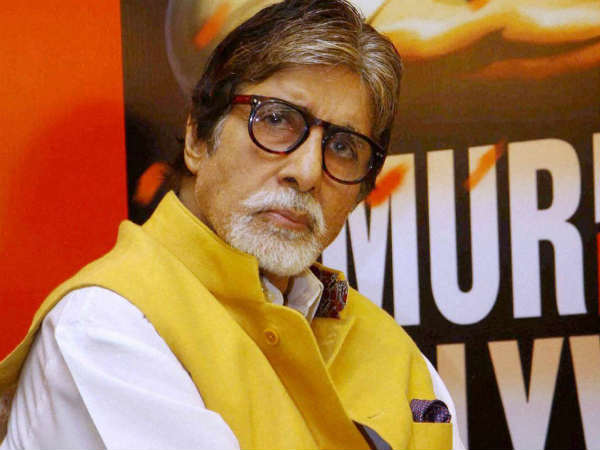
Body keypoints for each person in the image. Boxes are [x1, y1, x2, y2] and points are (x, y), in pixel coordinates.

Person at [0, 0, 464, 448]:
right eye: (277, 120)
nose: (306, 172)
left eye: (343, 147)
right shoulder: (108, 327)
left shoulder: (396, 357)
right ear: (198, 139)